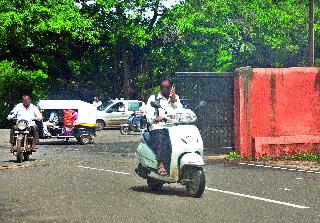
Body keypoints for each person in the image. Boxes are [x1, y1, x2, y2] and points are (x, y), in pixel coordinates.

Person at [145, 78, 183, 176]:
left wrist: (174, 101)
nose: (164, 89)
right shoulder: (153, 98)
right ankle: (160, 164)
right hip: (157, 127)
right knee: (161, 138)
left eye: (167, 87)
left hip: (172, 128)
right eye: (162, 87)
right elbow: (148, 114)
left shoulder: (175, 98)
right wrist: (155, 118)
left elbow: (181, 111)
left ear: (171, 88)